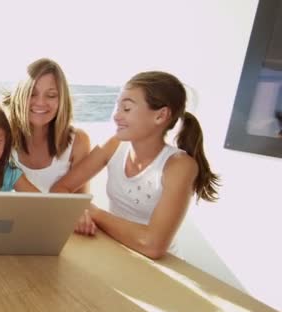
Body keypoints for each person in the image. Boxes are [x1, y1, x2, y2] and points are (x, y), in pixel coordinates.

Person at [51, 71, 221, 259]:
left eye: (126, 109)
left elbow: (153, 246)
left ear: (161, 115)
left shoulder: (179, 166)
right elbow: (61, 187)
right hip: (114, 250)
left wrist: (93, 212)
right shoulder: (114, 145)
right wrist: (78, 211)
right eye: (117, 108)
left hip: (158, 267)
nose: (116, 116)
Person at [3, 58, 91, 193]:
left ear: (62, 100)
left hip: (61, 215)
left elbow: (80, 203)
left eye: (51, 95)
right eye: (32, 94)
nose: (40, 102)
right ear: (19, 96)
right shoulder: (1, 137)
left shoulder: (78, 141)